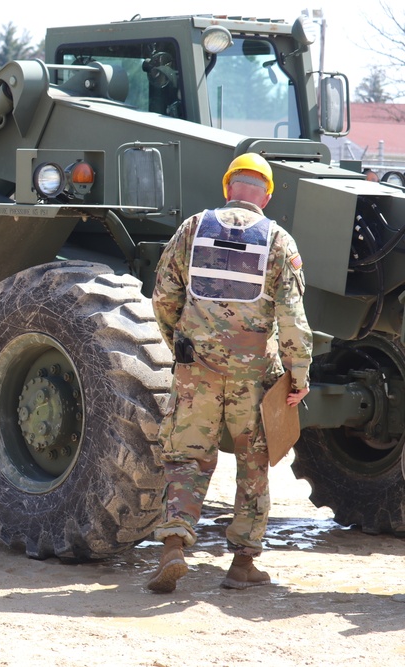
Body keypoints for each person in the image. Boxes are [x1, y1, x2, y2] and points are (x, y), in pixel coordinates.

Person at [145, 153, 312, 593]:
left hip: (196, 369)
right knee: (253, 462)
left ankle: (174, 545)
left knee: (187, 456)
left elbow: (163, 297)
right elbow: (293, 317)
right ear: (268, 195)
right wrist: (298, 373)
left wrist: (182, 346)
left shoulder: (193, 229)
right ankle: (242, 563)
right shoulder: (278, 240)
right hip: (255, 376)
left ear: (227, 188)